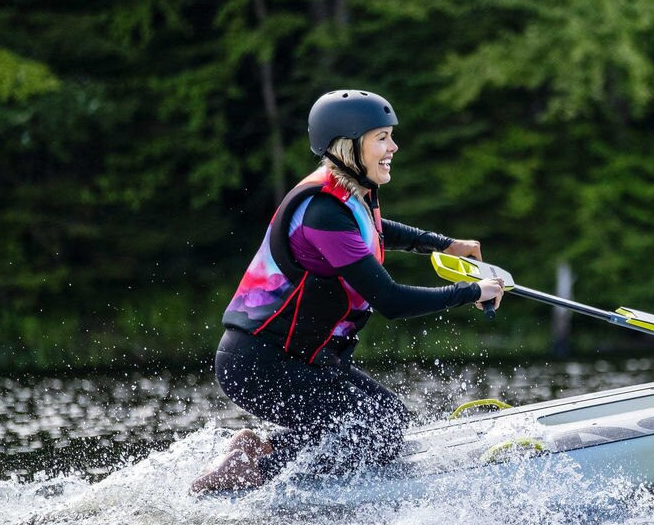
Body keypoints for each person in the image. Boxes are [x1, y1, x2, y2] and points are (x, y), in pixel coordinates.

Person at [191, 89, 504, 494]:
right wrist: (470, 292)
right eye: (381, 138)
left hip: (292, 358)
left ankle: (256, 450)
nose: (393, 147)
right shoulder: (324, 212)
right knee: (376, 429)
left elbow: (377, 230)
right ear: (347, 147)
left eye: (391, 136)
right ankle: (254, 475)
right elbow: (390, 300)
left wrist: (443, 244)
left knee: (386, 418)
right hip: (256, 365)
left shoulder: (350, 195)